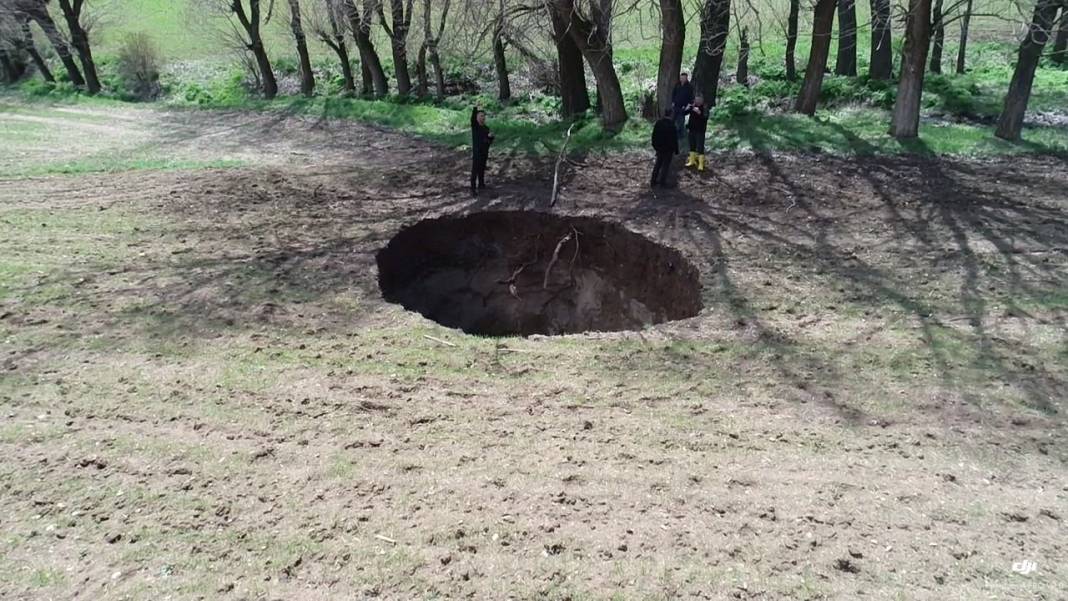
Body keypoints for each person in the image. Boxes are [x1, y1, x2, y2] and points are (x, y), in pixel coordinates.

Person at [650, 108, 678, 187]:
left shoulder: (658, 123)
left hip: (660, 148)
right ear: (671, 115)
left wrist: (655, 146)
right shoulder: (672, 125)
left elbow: (654, 136)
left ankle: (653, 181)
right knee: (665, 166)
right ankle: (662, 182)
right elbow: (674, 139)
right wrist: (676, 150)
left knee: (658, 164)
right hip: (668, 149)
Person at [470, 106, 494, 196]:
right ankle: (473, 189)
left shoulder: (486, 128)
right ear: (476, 117)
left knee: (482, 169)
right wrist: (475, 108)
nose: (482, 117)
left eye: (483, 116)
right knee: (475, 171)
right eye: (480, 116)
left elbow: (488, 141)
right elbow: (472, 119)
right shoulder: (475, 127)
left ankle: (481, 185)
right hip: (477, 153)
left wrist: (491, 137)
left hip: (484, 152)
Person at [684, 95, 709, 172]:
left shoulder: (704, 108)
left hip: (700, 131)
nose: (697, 101)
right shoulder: (693, 106)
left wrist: (699, 112)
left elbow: (705, 117)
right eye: (696, 100)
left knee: (700, 147)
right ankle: (692, 161)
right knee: (692, 145)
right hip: (692, 129)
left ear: (702, 100)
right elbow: (685, 113)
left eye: (699, 100)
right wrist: (687, 108)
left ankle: (701, 164)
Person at [670, 73, 694, 139]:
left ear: (686, 78)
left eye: (684, 78)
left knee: (681, 121)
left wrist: (688, 105)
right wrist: (673, 101)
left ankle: (680, 136)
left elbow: (691, 97)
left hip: (683, 107)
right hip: (676, 105)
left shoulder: (689, 87)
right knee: (673, 120)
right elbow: (673, 93)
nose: (682, 79)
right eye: (681, 78)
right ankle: (672, 134)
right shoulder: (677, 85)